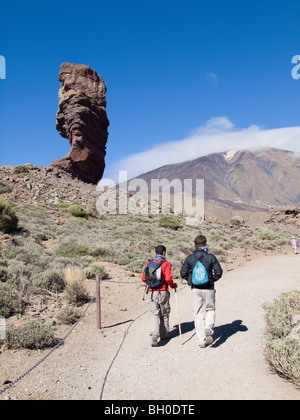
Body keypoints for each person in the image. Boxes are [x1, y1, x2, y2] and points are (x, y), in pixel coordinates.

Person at [180, 235, 223, 348]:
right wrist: (212, 280)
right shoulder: (211, 257)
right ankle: (208, 327)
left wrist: (191, 280)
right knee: (210, 309)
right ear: (205, 244)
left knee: (198, 314)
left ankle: (201, 340)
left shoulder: (190, 258)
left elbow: (183, 273)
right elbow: (219, 271)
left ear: (195, 244)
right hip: (208, 288)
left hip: (195, 289)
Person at [142, 245, 177, 347]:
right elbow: (168, 279)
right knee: (164, 312)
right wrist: (173, 286)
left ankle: (154, 334)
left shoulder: (149, 263)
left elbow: (143, 278)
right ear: (164, 253)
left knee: (154, 313)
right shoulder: (166, 263)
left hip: (152, 292)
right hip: (163, 291)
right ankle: (164, 334)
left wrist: (151, 283)